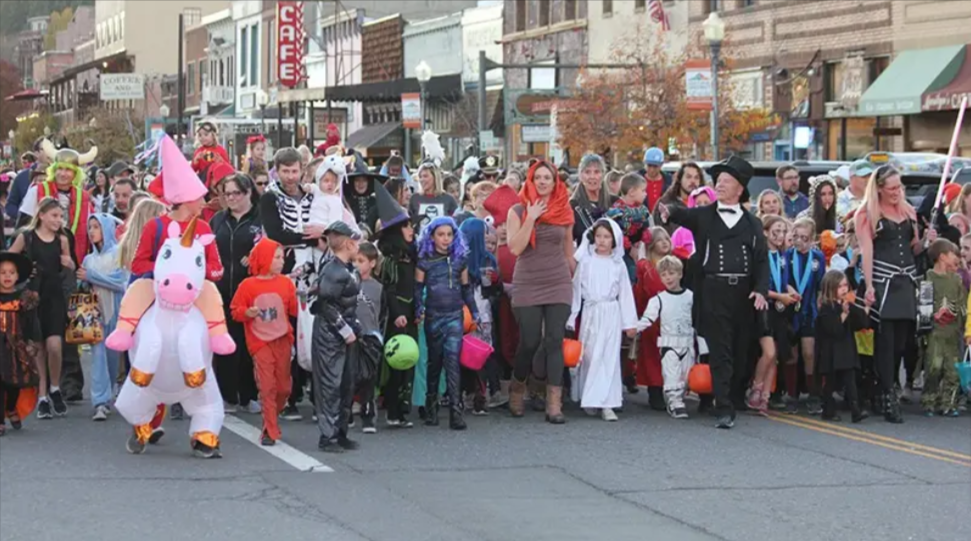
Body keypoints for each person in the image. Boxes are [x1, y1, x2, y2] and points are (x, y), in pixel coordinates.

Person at [658, 155, 769, 429]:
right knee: (720, 352)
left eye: (726, 181)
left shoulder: (753, 223)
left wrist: (761, 290)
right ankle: (724, 406)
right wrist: (667, 212)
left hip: (743, 294)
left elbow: (761, 259)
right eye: (718, 181)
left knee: (741, 351)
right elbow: (679, 212)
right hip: (714, 290)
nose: (719, 185)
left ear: (739, 189)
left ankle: (734, 396)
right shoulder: (705, 215)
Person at [853, 165, 935, 423]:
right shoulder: (866, 214)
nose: (897, 192)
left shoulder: (909, 211)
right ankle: (887, 394)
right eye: (891, 188)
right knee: (885, 342)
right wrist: (868, 285)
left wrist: (927, 241)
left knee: (902, 343)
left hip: (907, 281)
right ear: (879, 188)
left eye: (899, 187)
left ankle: (885, 386)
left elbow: (915, 248)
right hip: (883, 281)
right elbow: (867, 251)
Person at [505, 160, 575, 424]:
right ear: (531, 181)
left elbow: (568, 252)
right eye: (539, 178)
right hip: (528, 281)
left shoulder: (565, 210)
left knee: (555, 340)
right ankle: (517, 388)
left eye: (548, 178)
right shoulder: (518, 209)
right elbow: (515, 248)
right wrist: (531, 217)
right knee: (530, 341)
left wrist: (576, 279)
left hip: (557, 280)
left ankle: (554, 404)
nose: (543, 182)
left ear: (555, 182)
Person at [7, 198, 75, 419]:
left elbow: (70, 267)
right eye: (54, 216)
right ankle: (43, 396)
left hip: (54, 296)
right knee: (38, 347)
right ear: (42, 215)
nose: (58, 220)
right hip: (33, 296)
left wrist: (69, 264)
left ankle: (55, 388)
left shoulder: (62, 239)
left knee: (54, 345)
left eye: (61, 216)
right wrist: (21, 276)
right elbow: (9, 260)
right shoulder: (26, 237)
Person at [567, 218, 637, 421]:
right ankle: (589, 398)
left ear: (614, 240)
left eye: (607, 237)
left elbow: (625, 293)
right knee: (589, 355)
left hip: (610, 313)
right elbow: (576, 289)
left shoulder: (618, 265)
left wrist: (629, 323)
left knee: (608, 356)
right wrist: (572, 316)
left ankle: (607, 402)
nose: (602, 241)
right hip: (591, 313)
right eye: (598, 236)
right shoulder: (587, 262)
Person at [231, 238, 298, 445]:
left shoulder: (286, 283)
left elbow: (294, 310)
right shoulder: (248, 285)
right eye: (276, 257)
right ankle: (270, 429)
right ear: (264, 258)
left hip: (282, 340)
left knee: (284, 388)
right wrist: (247, 312)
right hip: (260, 343)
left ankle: (272, 417)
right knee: (267, 386)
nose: (281, 262)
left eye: (281, 257)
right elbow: (235, 311)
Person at [415, 217, 478, 430]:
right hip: (433, 316)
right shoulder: (424, 260)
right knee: (435, 362)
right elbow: (417, 288)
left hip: (454, 315)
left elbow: (466, 288)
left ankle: (455, 411)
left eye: (449, 235)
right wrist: (418, 308)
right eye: (441, 235)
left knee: (452, 361)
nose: (445, 239)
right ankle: (431, 406)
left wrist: (475, 311)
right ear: (431, 236)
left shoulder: (460, 260)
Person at [210, 174, 263, 414]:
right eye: (227, 193)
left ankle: (249, 394)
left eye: (235, 193)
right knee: (225, 344)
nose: (230, 198)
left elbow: (274, 249)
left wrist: (255, 258)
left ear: (248, 192)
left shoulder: (261, 219)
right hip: (222, 292)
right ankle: (227, 395)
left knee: (249, 345)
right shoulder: (218, 220)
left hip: (252, 292)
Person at [311, 221, 362, 453]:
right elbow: (326, 305)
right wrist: (345, 329)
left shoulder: (346, 268)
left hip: (345, 331)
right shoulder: (334, 270)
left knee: (346, 383)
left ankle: (340, 432)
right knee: (330, 384)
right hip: (330, 334)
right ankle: (328, 435)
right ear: (349, 242)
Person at [373, 182, 418, 427]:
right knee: (395, 360)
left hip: (411, 313)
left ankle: (403, 408)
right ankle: (391, 408)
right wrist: (399, 314)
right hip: (396, 315)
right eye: (407, 226)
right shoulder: (390, 260)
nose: (412, 230)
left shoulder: (411, 256)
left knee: (409, 360)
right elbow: (389, 290)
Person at [77, 214, 128, 421]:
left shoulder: (118, 254)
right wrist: (83, 280)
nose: (92, 231)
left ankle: (109, 395)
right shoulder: (89, 259)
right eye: (90, 227)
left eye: (96, 227)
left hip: (115, 312)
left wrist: (91, 276)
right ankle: (100, 401)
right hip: (94, 314)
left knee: (112, 357)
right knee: (98, 356)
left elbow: (121, 283)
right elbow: (83, 284)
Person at [636, 255, 696, 419]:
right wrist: (634, 329)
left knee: (686, 375)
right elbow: (648, 319)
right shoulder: (658, 300)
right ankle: (674, 401)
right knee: (671, 374)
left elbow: (698, 322)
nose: (668, 278)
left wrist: (703, 348)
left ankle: (680, 398)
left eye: (671, 273)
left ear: (680, 274)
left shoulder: (691, 297)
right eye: (664, 274)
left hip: (687, 343)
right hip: (669, 344)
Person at [18, 139, 97, 263]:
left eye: (68, 170)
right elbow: (23, 226)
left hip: (73, 261)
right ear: (53, 170)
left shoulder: (83, 197)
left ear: (76, 174)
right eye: (59, 169)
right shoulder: (37, 191)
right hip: (40, 259)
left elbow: (92, 231)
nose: (63, 174)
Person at [748, 215, 793, 414]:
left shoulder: (783, 255)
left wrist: (790, 291)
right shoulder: (760, 254)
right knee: (769, 352)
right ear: (765, 232)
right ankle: (755, 389)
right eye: (776, 231)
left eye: (783, 232)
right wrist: (780, 296)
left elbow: (784, 280)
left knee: (775, 355)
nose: (780, 236)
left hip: (779, 309)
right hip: (765, 307)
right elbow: (760, 286)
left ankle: (765, 396)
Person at [482, 185, 521, 409]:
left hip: (519, 299)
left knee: (518, 338)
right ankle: (503, 386)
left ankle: (518, 384)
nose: (505, 229)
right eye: (501, 225)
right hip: (497, 302)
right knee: (501, 339)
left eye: (509, 224)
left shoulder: (520, 246)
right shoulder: (493, 249)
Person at [815, 269, 871, 423]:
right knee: (831, 382)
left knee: (850, 379)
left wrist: (864, 308)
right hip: (831, 350)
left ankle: (856, 410)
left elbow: (862, 324)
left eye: (845, 285)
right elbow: (834, 330)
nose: (844, 289)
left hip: (846, 348)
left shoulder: (847, 303)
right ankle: (827, 409)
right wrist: (844, 314)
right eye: (840, 287)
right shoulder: (826, 308)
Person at [458, 217, 500, 416]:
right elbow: (490, 289)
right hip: (480, 312)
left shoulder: (458, 257)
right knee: (480, 354)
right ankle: (479, 395)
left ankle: (470, 394)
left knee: (465, 354)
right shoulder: (486, 259)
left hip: (464, 312)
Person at [920, 239, 966, 417]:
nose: (957, 258)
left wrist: (960, 320)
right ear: (942, 257)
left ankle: (949, 402)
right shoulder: (929, 277)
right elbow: (924, 306)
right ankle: (929, 400)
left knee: (952, 369)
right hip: (935, 332)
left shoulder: (957, 280)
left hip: (953, 331)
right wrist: (933, 316)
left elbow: (962, 305)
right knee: (933, 366)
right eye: (954, 254)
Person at [788, 217, 827, 414]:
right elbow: (784, 280)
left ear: (812, 239)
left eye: (804, 238)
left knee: (809, 352)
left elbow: (821, 285)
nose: (799, 241)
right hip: (790, 310)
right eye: (796, 236)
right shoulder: (787, 255)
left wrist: (819, 305)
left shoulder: (817, 257)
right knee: (792, 355)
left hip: (809, 310)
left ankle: (813, 394)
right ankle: (792, 395)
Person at [0, 251, 41, 436]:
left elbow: (30, 323)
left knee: (14, 382)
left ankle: (11, 407)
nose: (7, 276)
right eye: (2, 272)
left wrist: (31, 342)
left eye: (11, 272)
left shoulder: (23, 299)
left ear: (17, 276)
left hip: (15, 346)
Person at [633, 227, 673, 407]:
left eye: (666, 238)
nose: (665, 242)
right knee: (651, 354)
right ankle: (654, 389)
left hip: (672, 315)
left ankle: (671, 389)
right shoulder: (644, 266)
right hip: (652, 316)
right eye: (659, 240)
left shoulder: (675, 263)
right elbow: (640, 292)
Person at [350, 241, 383, 433]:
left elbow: (382, 313)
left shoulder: (378, 287)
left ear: (372, 263)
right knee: (350, 376)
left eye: (361, 261)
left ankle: (368, 415)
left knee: (369, 378)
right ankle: (346, 413)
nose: (356, 264)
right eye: (354, 260)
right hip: (351, 335)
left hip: (370, 336)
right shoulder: (348, 282)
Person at [606, 173, 652, 280]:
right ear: (631, 192)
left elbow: (644, 225)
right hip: (620, 254)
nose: (645, 194)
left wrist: (642, 236)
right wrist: (627, 245)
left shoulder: (642, 209)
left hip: (638, 250)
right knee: (630, 272)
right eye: (643, 191)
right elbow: (614, 230)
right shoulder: (617, 210)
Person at [410, 132, 458, 233]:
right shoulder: (414, 198)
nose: (422, 179)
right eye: (420, 176)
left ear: (435, 177)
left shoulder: (448, 199)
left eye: (426, 176)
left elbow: (455, 225)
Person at [569, 153, 616, 242]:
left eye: (597, 172)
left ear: (603, 175)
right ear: (580, 175)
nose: (592, 176)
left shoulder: (615, 202)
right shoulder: (572, 206)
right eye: (587, 172)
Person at [654, 162, 704, 234]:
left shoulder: (705, 204)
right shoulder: (665, 203)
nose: (693, 181)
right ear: (680, 179)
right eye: (688, 177)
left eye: (696, 177)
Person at [641, 147, 671, 212]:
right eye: (649, 165)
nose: (652, 169)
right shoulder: (636, 180)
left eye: (655, 166)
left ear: (661, 165)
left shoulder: (669, 182)